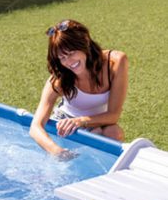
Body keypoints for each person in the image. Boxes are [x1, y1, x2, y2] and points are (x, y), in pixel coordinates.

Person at [30, 19, 128, 159]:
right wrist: (56, 151)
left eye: (71, 53)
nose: (69, 62)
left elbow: (113, 116)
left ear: (85, 42)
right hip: (64, 125)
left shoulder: (115, 62)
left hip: (96, 124)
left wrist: (80, 121)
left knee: (114, 132)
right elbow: (35, 127)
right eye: (62, 57)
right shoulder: (60, 78)